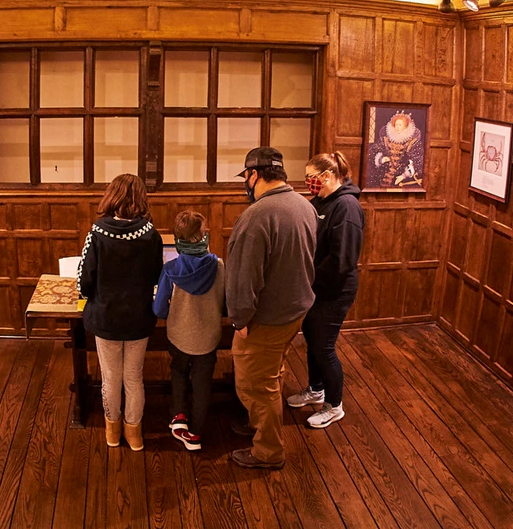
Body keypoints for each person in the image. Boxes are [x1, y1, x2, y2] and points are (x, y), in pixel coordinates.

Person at [226, 147, 317, 470]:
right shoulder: (303, 205)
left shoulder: (256, 217)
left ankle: (268, 450)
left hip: (266, 317)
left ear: (254, 175)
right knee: (272, 372)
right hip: (296, 310)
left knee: (253, 384)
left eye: (246, 177)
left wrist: (240, 319)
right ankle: (257, 423)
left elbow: (242, 279)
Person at [76, 174, 163, 451]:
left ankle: (112, 431)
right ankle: (134, 433)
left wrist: (93, 296)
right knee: (134, 377)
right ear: (141, 198)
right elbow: (156, 275)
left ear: (111, 195)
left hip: (106, 317)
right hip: (138, 316)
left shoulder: (98, 233)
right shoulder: (151, 234)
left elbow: (85, 279)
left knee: (111, 378)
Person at [288, 152, 364, 429]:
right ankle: (315, 389)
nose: (308, 183)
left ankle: (334, 405)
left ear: (328, 176)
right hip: (316, 286)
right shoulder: (321, 201)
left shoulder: (347, 207)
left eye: (311, 178)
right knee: (312, 337)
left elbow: (342, 260)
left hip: (335, 289)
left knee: (324, 346)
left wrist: (311, 279)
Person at [153, 210, 224, 452]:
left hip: (179, 336)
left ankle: (178, 415)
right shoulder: (220, 267)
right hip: (209, 336)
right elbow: (226, 303)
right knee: (203, 381)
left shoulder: (170, 269)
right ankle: (196, 432)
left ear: (177, 241)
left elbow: (160, 309)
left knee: (179, 371)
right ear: (204, 237)